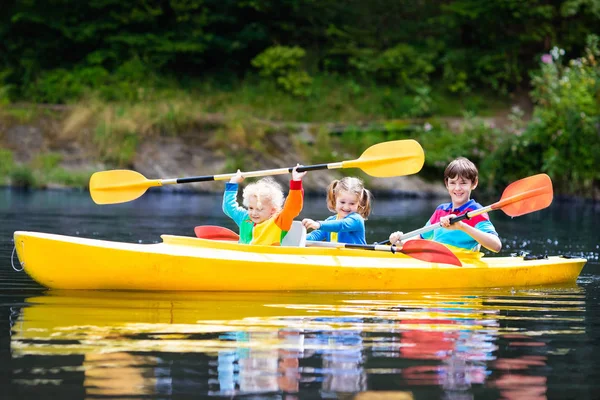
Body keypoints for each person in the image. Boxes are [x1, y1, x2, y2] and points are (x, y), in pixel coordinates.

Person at [389, 157, 501, 253]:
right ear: (446, 184)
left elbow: (496, 246)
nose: (457, 188)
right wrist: (400, 241)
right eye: (452, 183)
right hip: (436, 260)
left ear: (474, 183)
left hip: (463, 264)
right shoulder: (441, 210)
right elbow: (420, 238)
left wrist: (462, 226)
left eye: (463, 183)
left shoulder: (476, 212)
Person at [222, 166, 306, 245]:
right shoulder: (245, 217)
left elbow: (292, 207)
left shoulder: (279, 221)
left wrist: (296, 181)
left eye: (259, 209)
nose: (253, 213)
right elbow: (229, 207)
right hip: (244, 256)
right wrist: (233, 182)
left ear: (273, 210)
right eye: (251, 208)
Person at [302, 177, 372, 245]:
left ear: (359, 203)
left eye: (352, 203)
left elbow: (341, 225)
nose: (346, 207)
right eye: (342, 202)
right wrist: (299, 238)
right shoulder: (330, 221)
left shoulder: (357, 220)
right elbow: (314, 236)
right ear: (335, 199)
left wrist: (318, 224)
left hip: (355, 256)